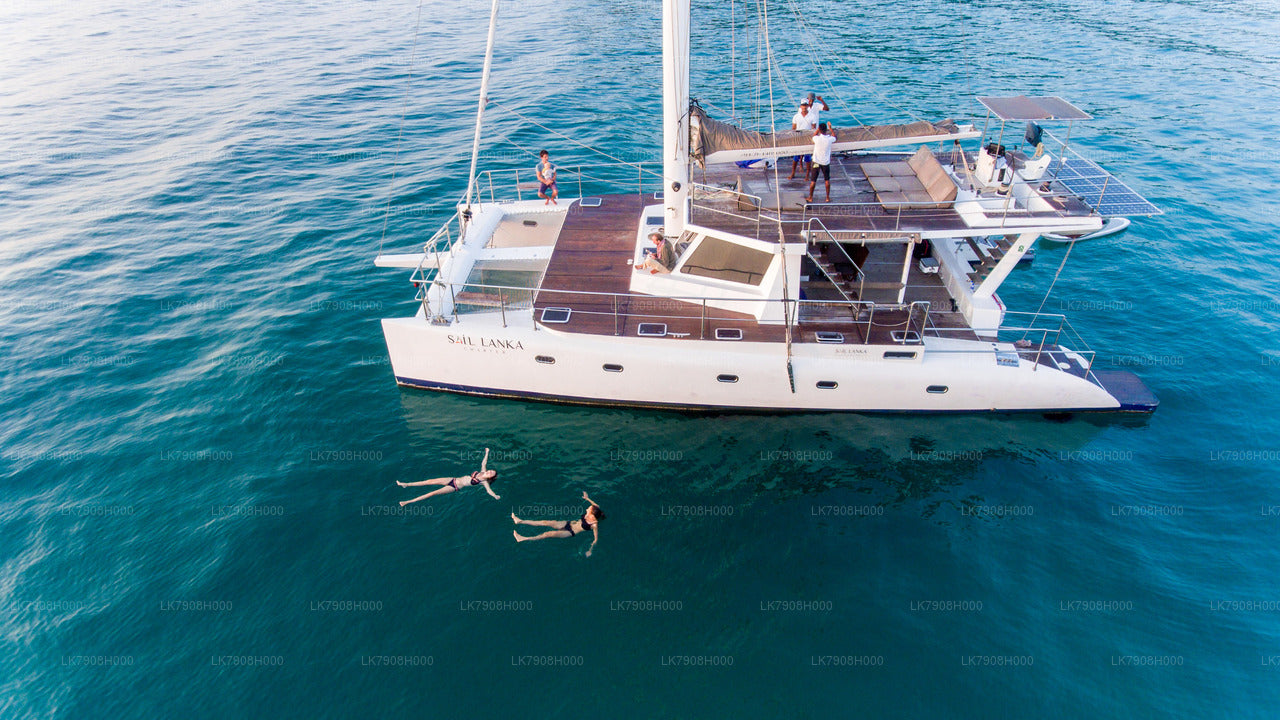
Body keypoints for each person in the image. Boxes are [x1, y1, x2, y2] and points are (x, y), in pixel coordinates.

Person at [512, 491, 604, 556]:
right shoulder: (595, 508)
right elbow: (595, 505)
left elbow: (595, 539)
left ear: (592, 516)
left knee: (548, 534)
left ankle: (523, 538)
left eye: (588, 510)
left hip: (570, 532)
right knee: (545, 522)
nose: (587, 509)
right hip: (569, 523)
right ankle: (520, 521)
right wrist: (587, 498)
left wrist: (590, 550)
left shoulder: (594, 525)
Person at [397, 448, 500, 505]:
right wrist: (487, 452)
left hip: (455, 487)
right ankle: (406, 484)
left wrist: (495, 495)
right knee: (429, 481)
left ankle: (407, 502)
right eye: (491, 470)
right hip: (453, 479)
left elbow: (489, 491)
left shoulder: (484, 482)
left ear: (490, 477)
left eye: (492, 473)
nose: (490, 471)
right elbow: (484, 462)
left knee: (432, 493)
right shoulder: (483, 471)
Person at [788, 95, 829, 179]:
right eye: (802, 105)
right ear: (800, 106)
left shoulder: (812, 116)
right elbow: (793, 128)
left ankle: (807, 174)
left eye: (805, 105)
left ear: (807, 106)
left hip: (807, 137)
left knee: (807, 157)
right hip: (798, 137)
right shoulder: (796, 116)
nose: (804, 107)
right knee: (796, 157)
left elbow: (813, 128)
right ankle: (793, 173)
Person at [806, 122, 837, 203]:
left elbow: (814, 135)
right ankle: (827, 197)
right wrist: (831, 128)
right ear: (826, 130)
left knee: (813, 180)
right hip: (825, 163)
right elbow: (834, 136)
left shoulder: (817, 139)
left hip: (816, 162)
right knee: (827, 180)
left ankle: (810, 197)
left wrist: (817, 130)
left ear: (819, 130)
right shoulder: (829, 139)